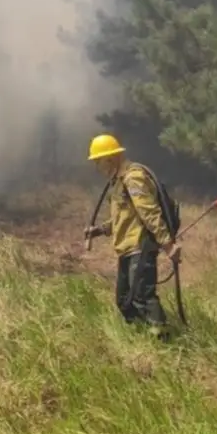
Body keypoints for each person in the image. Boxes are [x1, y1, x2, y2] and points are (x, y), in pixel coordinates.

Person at [83, 134, 180, 338]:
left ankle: (164, 339)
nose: (97, 167)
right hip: (127, 248)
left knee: (142, 296)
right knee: (124, 300)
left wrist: (168, 244)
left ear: (110, 158)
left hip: (140, 247)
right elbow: (125, 217)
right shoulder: (119, 182)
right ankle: (141, 337)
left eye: (98, 161)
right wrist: (99, 230)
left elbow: (149, 212)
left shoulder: (133, 177)